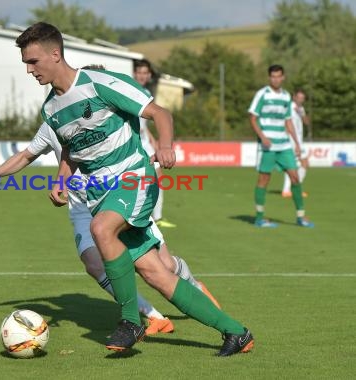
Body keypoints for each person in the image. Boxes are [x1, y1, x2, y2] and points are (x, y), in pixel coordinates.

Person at [15, 22, 252, 356]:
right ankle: (237, 333)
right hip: (102, 196)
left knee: (100, 228)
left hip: (135, 178)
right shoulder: (51, 109)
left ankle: (130, 320)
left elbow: (160, 112)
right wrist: (61, 181)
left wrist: (167, 145)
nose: (29, 69)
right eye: (26, 63)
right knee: (156, 274)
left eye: (33, 61)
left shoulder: (99, 84)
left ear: (56, 53)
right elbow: (70, 149)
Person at [0, 120, 222, 336]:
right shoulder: (52, 123)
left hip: (117, 197)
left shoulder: (105, 113)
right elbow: (27, 154)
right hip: (81, 207)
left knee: (164, 266)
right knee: (94, 264)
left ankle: (195, 286)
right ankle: (154, 316)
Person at [248, 65, 314, 228]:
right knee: (264, 179)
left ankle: (300, 216)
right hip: (268, 146)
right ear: (269, 78)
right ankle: (259, 218)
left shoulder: (286, 97)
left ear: (283, 77)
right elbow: (252, 117)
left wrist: (297, 144)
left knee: (295, 177)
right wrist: (262, 137)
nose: (276, 79)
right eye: (273, 76)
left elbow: (288, 121)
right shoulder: (262, 94)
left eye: (278, 76)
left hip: (284, 145)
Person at [133, 59, 176, 228]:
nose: (143, 76)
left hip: (145, 142)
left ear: (149, 75)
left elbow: (143, 124)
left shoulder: (144, 92)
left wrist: (152, 140)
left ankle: (156, 218)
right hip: (134, 143)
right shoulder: (128, 90)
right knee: (137, 181)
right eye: (140, 72)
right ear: (134, 73)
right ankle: (141, 217)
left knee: (157, 178)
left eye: (146, 73)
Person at [282, 89, 309, 198]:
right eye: (299, 97)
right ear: (294, 97)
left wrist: (302, 113)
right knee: (301, 163)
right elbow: (285, 122)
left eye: (302, 98)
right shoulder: (289, 107)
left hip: (298, 140)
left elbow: (306, 122)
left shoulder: (300, 108)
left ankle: (291, 189)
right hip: (292, 140)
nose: (300, 100)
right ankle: (291, 189)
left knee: (297, 164)